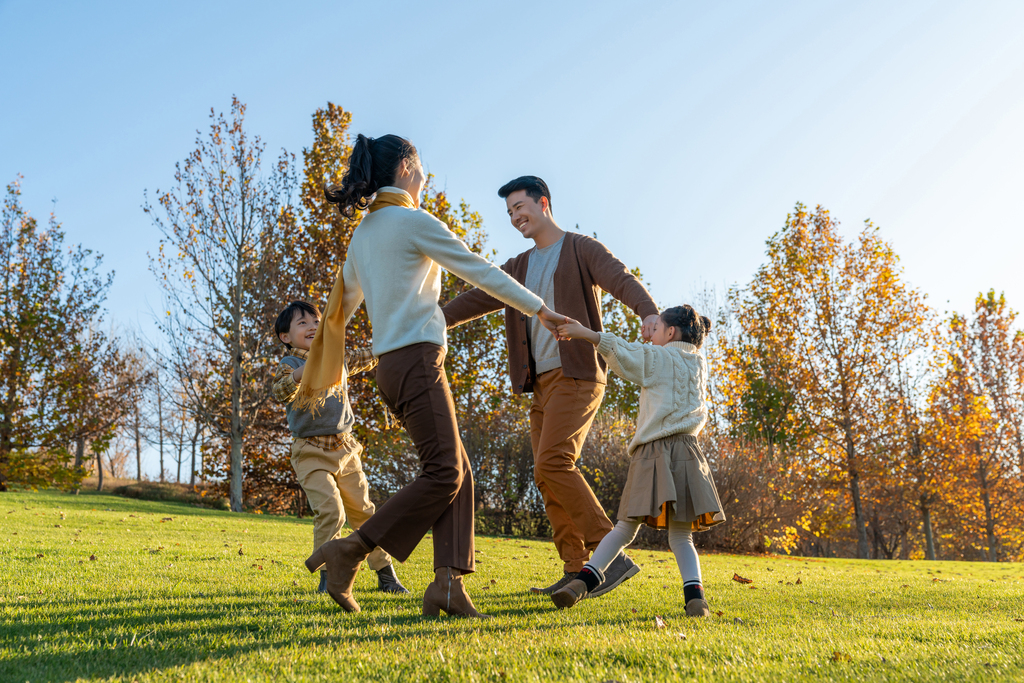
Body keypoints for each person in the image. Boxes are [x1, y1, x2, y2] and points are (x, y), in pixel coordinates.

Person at [298, 135, 567, 616]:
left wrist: (326, 368)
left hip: (392, 367)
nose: (426, 178)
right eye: (421, 169)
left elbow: (343, 306)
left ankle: (448, 583)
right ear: (405, 169)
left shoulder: (365, 234)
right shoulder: (411, 221)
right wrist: (540, 310)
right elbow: (479, 270)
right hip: (417, 360)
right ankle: (350, 550)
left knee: (457, 470)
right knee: (445, 472)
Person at [442, 176, 658, 597]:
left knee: (553, 463)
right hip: (540, 382)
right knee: (546, 474)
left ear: (543, 203)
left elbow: (620, 279)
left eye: (520, 207)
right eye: (509, 213)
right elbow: (482, 293)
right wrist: (435, 318)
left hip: (578, 374)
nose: (514, 217)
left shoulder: (581, 248)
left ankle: (606, 556)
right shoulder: (518, 266)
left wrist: (647, 311)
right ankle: (577, 567)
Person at [549, 305, 725, 616]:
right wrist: (654, 326)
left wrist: (584, 333)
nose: (650, 337)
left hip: (653, 451)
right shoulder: (699, 363)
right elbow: (651, 350)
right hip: (688, 452)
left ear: (670, 332)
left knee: (624, 528)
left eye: (656, 330)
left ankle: (582, 583)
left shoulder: (659, 358)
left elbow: (626, 352)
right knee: (681, 536)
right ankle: (696, 599)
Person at [272, 301, 409, 595]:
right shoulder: (290, 365)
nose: (312, 327)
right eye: (302, 323)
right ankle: (328, 579)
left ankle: (386, 576)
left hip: (346, 449)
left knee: (364, 512)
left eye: (315, 322)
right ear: (286, 337)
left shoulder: (338, 358)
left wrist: (395, 339)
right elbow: (281, 390)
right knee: (331, 511)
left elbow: (369, 356)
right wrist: (306, 371)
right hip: (310, 451)